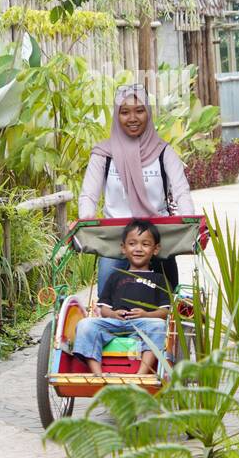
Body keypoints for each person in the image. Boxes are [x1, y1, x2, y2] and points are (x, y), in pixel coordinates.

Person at [78, 83, 195, 297]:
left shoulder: (163, 152)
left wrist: (189, 221)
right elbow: (88, 195)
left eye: (139, 110)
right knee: (108, 301)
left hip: (158, 241)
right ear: (117, 115)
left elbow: (181, 191)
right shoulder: (103, 155)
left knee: (167, 304)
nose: (133, 118)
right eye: (125, 112)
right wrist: (86, 218)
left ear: (148, 113)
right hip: (115, 242)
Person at [71, 219, 171, 375]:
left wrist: (146, 314)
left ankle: (141, 374)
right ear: (123, 248)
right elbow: (104, 309)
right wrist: (113, 314)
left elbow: (165, 312)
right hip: (114, 323)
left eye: (145, 244)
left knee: (158, 326)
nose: (138, 249)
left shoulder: (159, 279)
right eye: (132, 244)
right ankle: (97, 373)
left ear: (155, 249)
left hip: (144, 324)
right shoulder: (115, 277)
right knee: (85, 325)